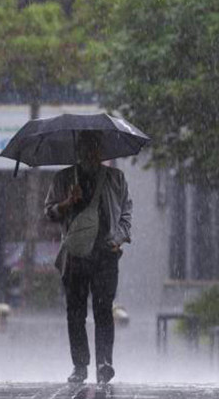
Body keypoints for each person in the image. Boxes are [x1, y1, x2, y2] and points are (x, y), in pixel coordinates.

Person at [44, 130, 132, 384]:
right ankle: (80, 366)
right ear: (77, 150)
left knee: (103, 310)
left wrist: (119, 239)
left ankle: (105, 364)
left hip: (106, 254)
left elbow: (127, 212)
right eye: (83, 147)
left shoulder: (116, 178)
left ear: (100, 150)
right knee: (75, 312)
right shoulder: (63, 179)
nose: (88, 152)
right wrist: (68, 202)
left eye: (93, 147)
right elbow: (49, 213)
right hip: (75, 256)